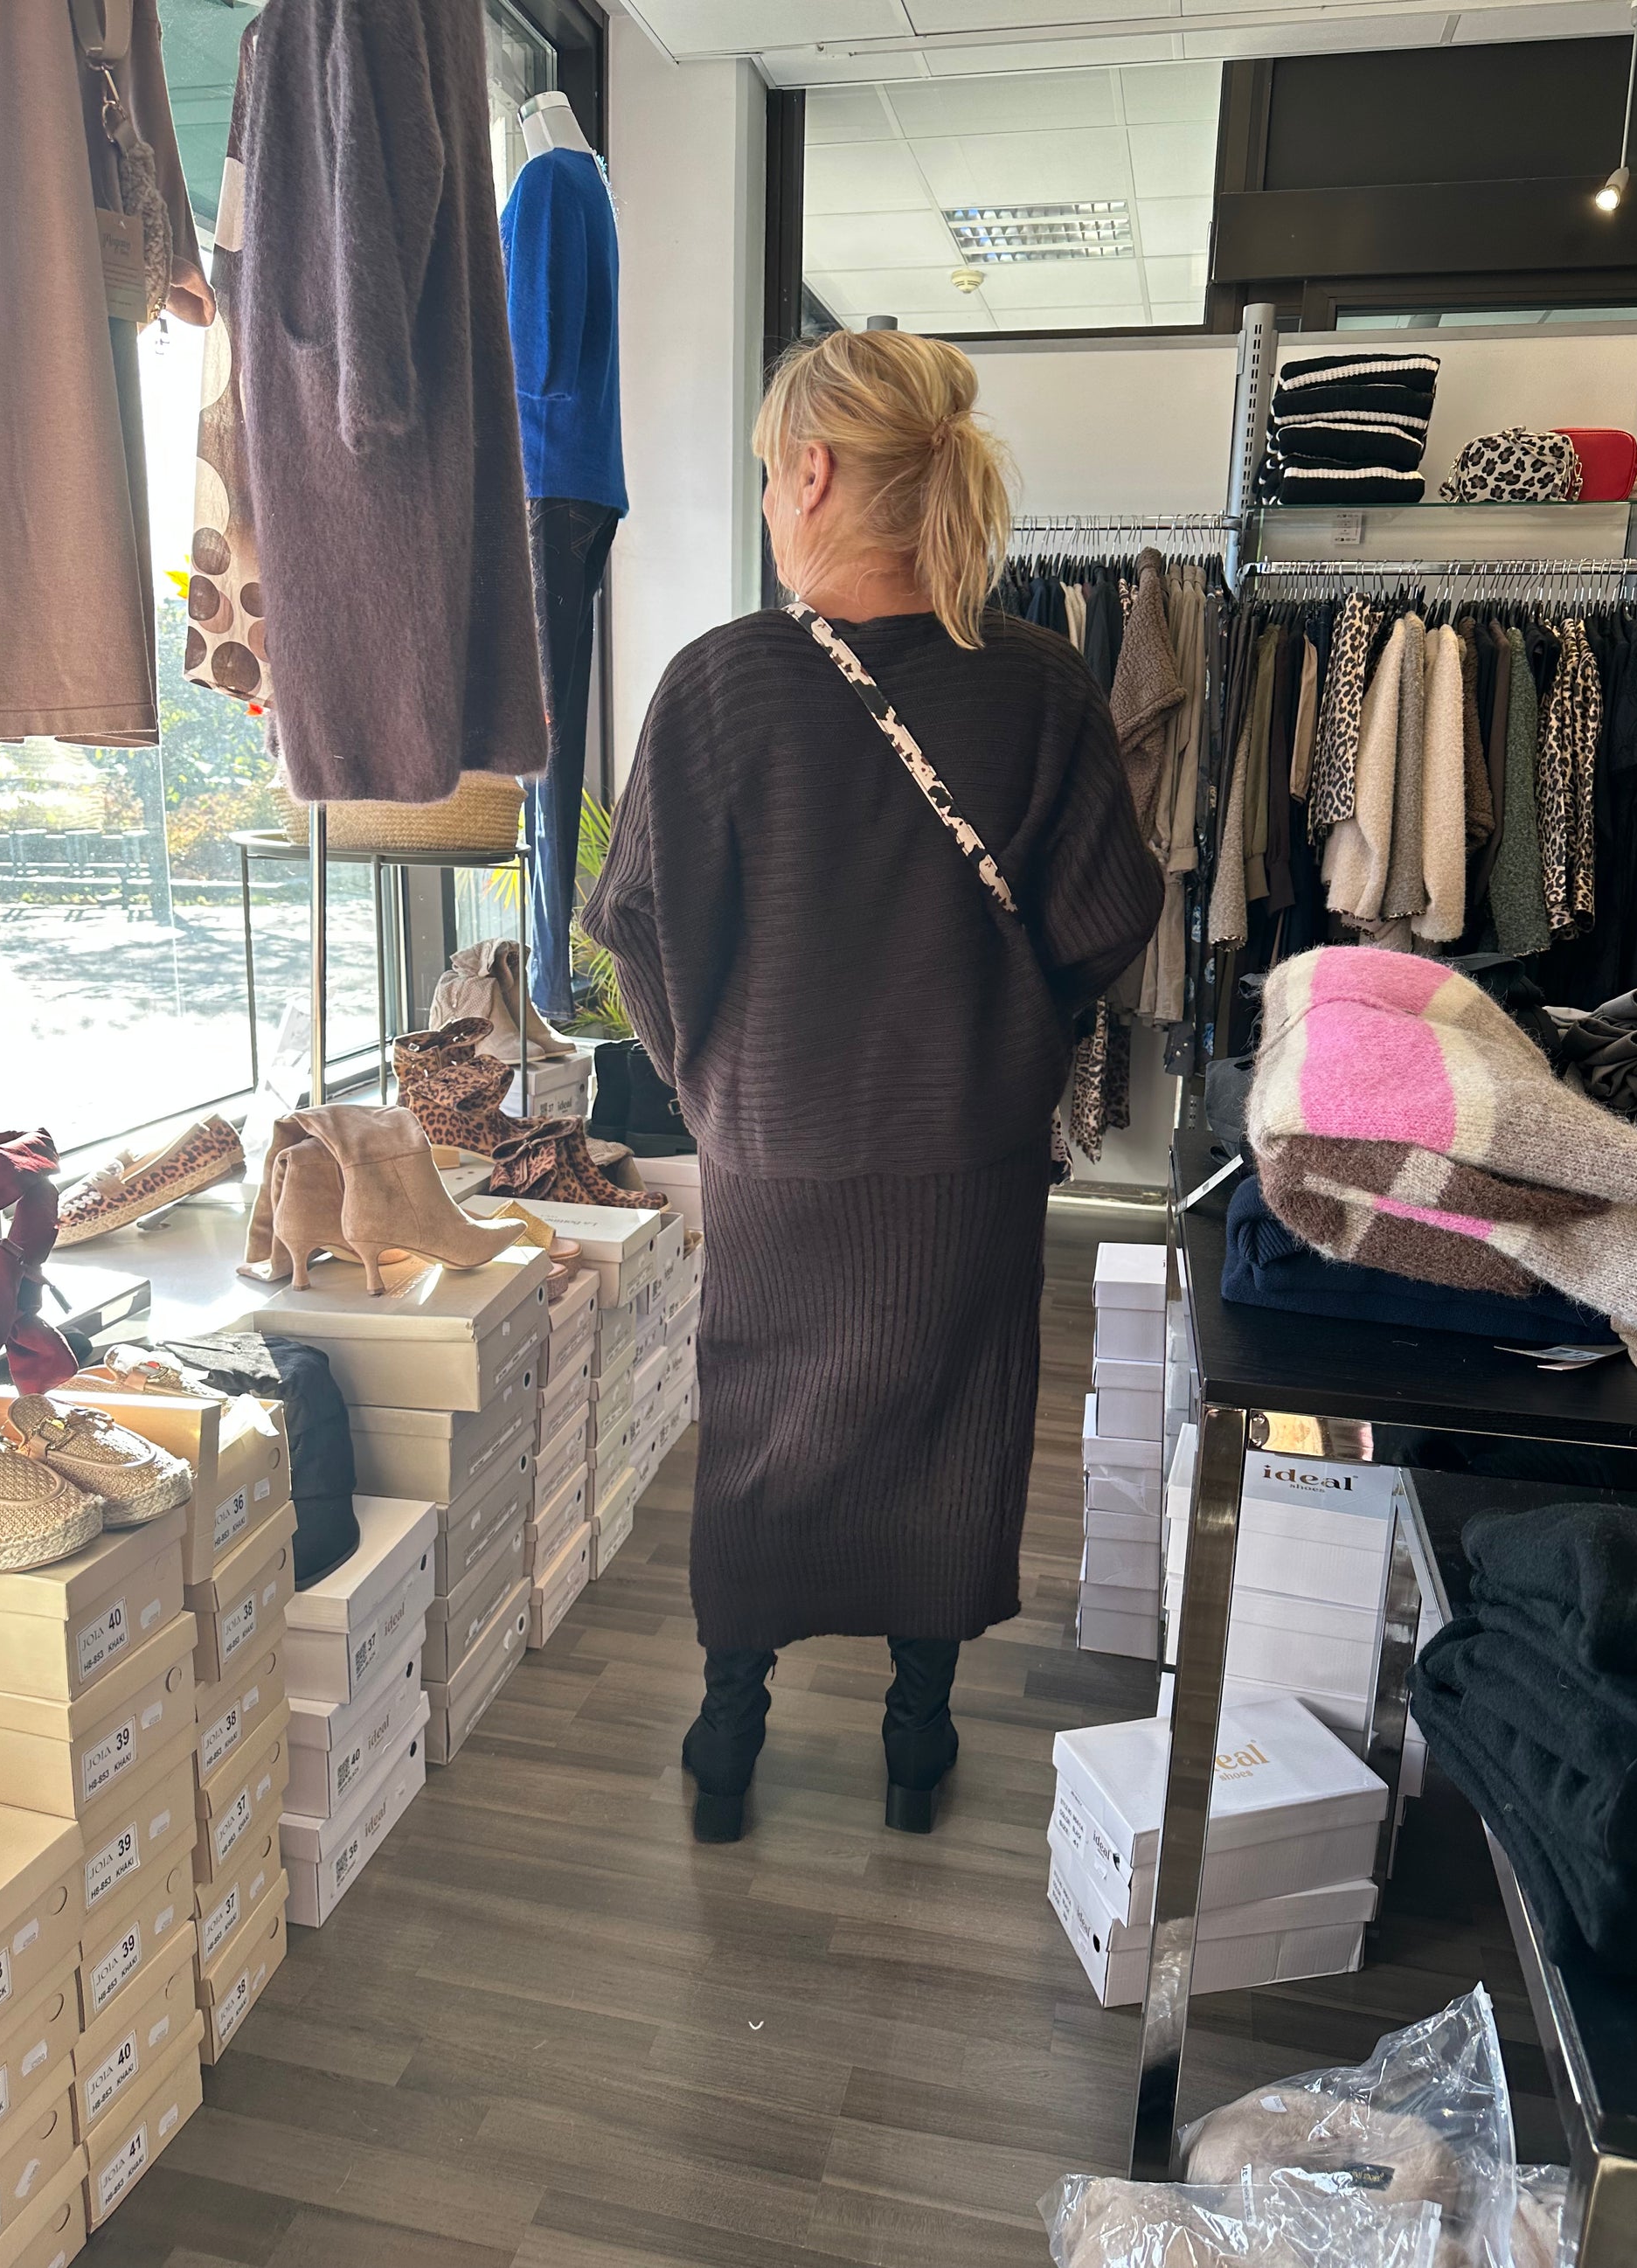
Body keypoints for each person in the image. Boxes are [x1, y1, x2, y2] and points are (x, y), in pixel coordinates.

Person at [584, 329, 1162, 1844]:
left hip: (777, 1150)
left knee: (761, 1427)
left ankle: (729, 1735)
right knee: (948, 1432)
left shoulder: (720, 683)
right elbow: (1110, 916)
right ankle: (918, 1738)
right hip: (965, 1148)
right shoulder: (1040, 684)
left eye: (767, 471)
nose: (766, 496)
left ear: (814, 473)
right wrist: (1005, 1033)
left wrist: (712, 1081)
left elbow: (635, 925)